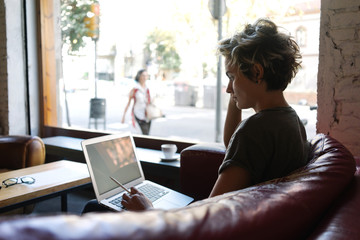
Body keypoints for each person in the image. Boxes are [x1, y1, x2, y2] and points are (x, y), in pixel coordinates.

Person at [83, 18, 310, 213]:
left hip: (213, 227)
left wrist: (148, 212)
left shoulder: (255, 131)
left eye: (231, 77)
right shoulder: (292, 122)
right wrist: (239, 90)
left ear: (257, 72)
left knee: (93, 207)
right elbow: (233, 145)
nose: (228, 88)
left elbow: (208, 213)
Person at [122, 69, 152, 135]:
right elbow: (128, 103)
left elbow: (150, 102)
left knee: (147, 134)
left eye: (146, 76)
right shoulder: (135, 89)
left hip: (148, 114)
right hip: (139, 114)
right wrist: (124, 116)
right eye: (143, 75)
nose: (144, 78)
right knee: (145, 133)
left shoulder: (148, 88)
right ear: (139, 76)